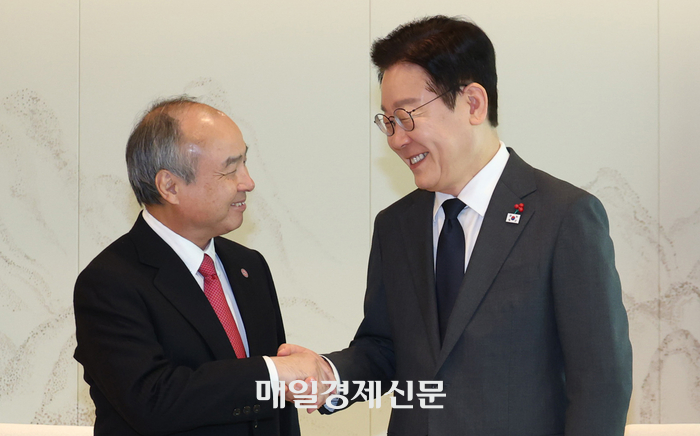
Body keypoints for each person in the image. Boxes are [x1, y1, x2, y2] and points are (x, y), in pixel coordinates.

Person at [281, 15, 633, 436]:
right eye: (388, 121)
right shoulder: (396, 225)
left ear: (473, 104)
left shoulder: (563, 217)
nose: (396, 139)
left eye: (407, 115)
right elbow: (386, 349)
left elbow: (601, 383)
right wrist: (328, 375)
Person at [74, 97, 327, 436]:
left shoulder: (248, 266)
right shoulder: (110, 282)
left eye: (245, 163)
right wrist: (271, 372)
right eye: (230, 169)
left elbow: (278, 407)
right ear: (170, 186)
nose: (248, 182)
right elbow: (152, 401)